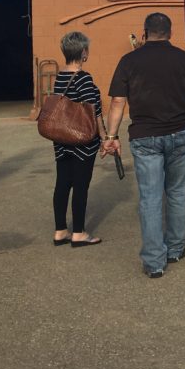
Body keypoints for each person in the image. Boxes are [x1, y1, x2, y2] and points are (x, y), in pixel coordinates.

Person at [102, 13, 185, 278]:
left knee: (150, 199)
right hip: (178, 133)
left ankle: (154, 261)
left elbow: (118, 102)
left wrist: (111, 136)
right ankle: (175, 248)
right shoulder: (184, 59)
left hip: (144, 136)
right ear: (170, 32)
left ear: (145, 32)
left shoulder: (129, 61)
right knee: (177, 192)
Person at [51, 32, 107, 246]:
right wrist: (104, 138)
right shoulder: (83, 78)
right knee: (81, 185)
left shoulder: (60, 76)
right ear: (83, 52)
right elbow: (92, 112)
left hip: (62, 137)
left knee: (63, 183)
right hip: (82, 140)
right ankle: (79, 232)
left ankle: (60, 230)